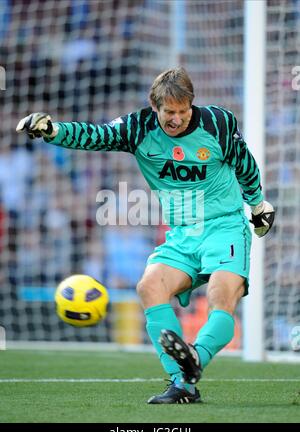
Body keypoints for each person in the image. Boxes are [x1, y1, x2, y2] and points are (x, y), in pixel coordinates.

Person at [16, 67, 275, 404]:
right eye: (169, 112)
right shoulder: (137, 128)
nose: (177, 119)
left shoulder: (217, 123)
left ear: (191, 105)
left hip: (224, 224)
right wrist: (53, 131)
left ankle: (193, 361)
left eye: (183, 111)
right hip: (183, 232)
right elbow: (94, 136)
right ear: (155, 107)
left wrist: (257, 204)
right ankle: (182, 383)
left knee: (221, 293)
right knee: (149, 286)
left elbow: (244, 163)